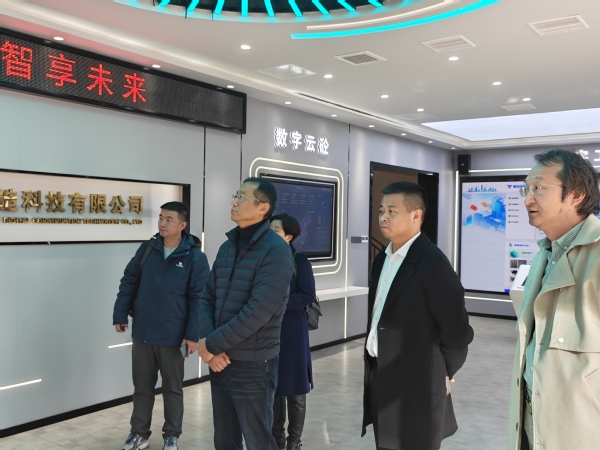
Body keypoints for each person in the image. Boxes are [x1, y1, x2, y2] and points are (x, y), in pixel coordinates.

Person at [362, 181, 474, 450]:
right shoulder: (383, 258)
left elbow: (457, 331)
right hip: (380, 372)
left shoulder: (433, 263)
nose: (383, 217)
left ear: (416, 215)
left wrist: (445, 370)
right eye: (381, 211)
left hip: (418, 381)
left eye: (392, 211)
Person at [507, 150, 600, 450]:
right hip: (532, 424)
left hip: (581, 432)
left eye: (538, 188)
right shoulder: (544, 255)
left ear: (576, 195)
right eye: (526, 189)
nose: (527, 199)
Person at [197, 177, 294, 450]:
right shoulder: (228, 247)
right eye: (235, 196)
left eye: (241, 197)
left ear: (263, 207)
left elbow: (258, 311)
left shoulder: (276, 251)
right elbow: (207, 297)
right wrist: (210, 346)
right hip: (220, 361)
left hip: (253, 364)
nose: (234, 202)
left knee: (258, 440)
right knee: (224, 440)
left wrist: (211, 345)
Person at [113, 201, 210, 450]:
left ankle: (172, 435)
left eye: (169, 219)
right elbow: (129, 280)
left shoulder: (195, 257)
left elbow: (198, 298)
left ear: (182, 225)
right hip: (143, 331)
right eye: (160, 218)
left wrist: (192, 335)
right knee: (142, 388)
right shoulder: (148, 249)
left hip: (173, 334)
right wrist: (120, 313)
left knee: (172, 389)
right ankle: (139, 433)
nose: (163, 223)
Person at [269, 213, 316, 450]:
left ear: (288, 236)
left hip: (293, 332)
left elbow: (307, 295)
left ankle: (294, 441)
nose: (270, 233)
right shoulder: (266, 259)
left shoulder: (299, 260)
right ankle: (276, 439)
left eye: (275, 230)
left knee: (296, 388)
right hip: (269, 331)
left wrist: (279, 302)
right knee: (275, 387)